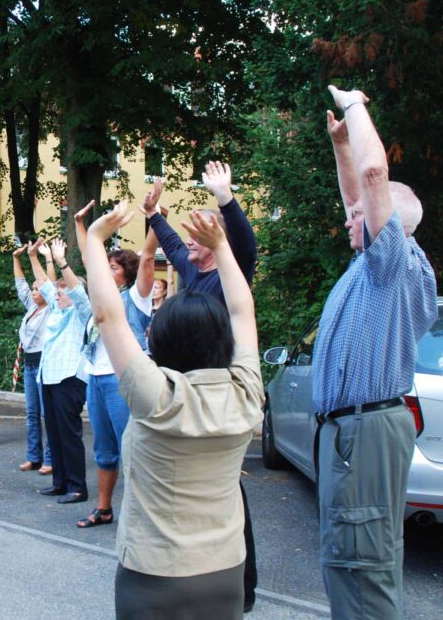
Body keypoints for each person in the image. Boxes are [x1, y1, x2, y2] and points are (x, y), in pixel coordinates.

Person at [86, 201, 264, 619]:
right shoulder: (246, 393)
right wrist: (221, 247)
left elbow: (107, 315)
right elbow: (242, 310)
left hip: (155, 576)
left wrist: (94, 241)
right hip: (225, 572)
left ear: (161, 339)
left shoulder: (155, 397)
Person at [312, 88, 437, 619]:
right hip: (349, 432)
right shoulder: (370, 264)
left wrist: (356, 106)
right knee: (348, 562)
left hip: (363, 433)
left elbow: (372, 179)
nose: (348, 217)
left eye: (362, 214)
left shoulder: (395, 264)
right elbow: (356, 197)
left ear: (393, 224)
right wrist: (342, 145)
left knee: (363, 568)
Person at [142, 162, 260, 612]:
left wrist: (225, 198)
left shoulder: (230, 275)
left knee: (225, 489)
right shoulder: (192, 274)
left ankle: (239, 586)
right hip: (184, 390)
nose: (187, 240)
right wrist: (153, 215)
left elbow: (245, 245)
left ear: (215, 245)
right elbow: (170, 244)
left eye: (198, 236)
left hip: (219, 393)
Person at [71, 199, 158, 529]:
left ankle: (145, 514)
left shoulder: (136, 297)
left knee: (132, 448)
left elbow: (148, 257)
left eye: (113, 267)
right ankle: (104, 509)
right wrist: (82, 227)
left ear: (127, 274)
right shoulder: (100, 297)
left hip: (123, 381)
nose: (106, 270)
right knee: (104, 449)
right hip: (96, 378)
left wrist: (154, 219)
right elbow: (87, 257)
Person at [30, 238, 93, 505]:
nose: (57, 293)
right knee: (54, 432)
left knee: (69, 434)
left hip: (69, 378)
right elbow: (45, 285)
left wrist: (61, 262)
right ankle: (61, 483)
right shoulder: (56, 309)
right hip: (48, 376)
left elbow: (77, 290)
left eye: (62, 290)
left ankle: (78, 487)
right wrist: (34, 257)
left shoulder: (83, 311)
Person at [13, 242, 53, 473]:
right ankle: (33, 456)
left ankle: (50, 459)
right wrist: (17, 259)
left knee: (47, 415)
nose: (34, 291)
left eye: (38, 289)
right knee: (31, 414)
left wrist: (40, 258)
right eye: (34, 289)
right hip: (29, 364)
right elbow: (20, 285)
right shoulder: (31, 307)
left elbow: (49, 283)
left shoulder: (52, 309)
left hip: (44, 364)